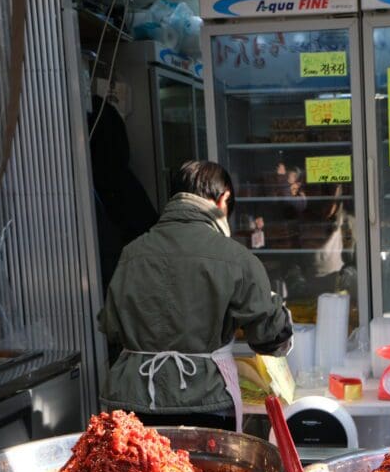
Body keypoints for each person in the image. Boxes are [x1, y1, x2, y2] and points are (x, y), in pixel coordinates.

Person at [97, 160, 293, 430]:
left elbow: (111, 327)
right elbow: (269, 338)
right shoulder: (235, 258)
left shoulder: (131, 254)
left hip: (136, 403)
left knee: (141, 469)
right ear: (223, 198)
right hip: (208, 403)